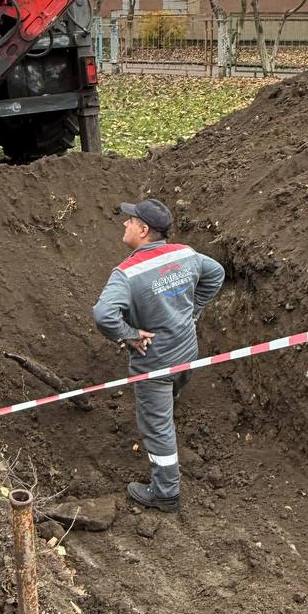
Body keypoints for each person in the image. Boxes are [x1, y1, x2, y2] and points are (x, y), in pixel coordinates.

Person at [93, 198, 225, 512]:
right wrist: (194, 310)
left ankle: (165, 492)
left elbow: (103, 315)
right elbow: (216, 273)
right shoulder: (186, 254)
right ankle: (168, 402)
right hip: (186, 350)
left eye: (130, 220)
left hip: (155, 362)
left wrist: (129, 335)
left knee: (157, 427)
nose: (125, 223)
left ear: (143, 229)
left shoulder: (126, 273)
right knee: (172, 389)